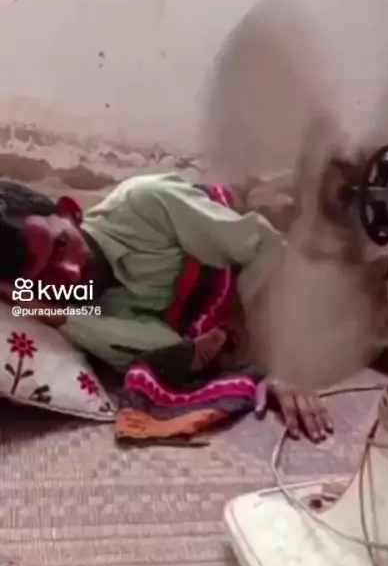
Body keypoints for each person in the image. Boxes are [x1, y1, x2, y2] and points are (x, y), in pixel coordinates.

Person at [0, 175, 333, 441]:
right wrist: (52, 313)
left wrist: (284, 359)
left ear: (72, 211)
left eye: (61, 245)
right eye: (44, 277)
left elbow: (265, 248)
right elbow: (170, 348)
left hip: (268, 218)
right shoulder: (77, 305)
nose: (71, 273)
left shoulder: (144, 204)